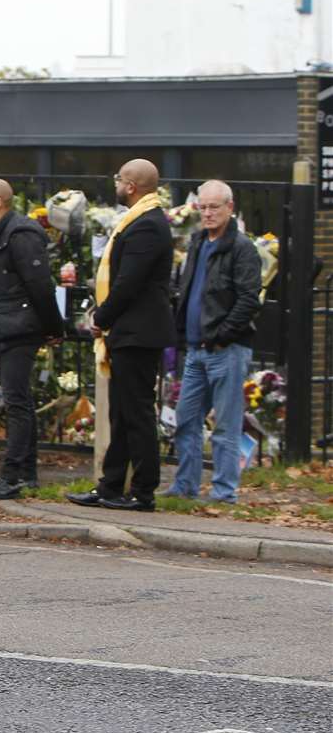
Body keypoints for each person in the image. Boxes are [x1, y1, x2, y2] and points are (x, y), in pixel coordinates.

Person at [69, 159, 176, 513]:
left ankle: (144, 491)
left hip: (138, 332)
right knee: (122, 413)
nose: (115, 184)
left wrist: (102, 315)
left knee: (138, 413)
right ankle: (111, 485)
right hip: (128, 330)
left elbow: (130, 281)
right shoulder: (139, 221)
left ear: (130, 185)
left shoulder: (147, 225)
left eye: (118, 179)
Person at [165, 180, 261, 503]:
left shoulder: (242, 248)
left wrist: (220, 336)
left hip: (226, 350)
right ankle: (185, 487)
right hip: (195, 351)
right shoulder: (196, 242)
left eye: (214, 207)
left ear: (229, 207)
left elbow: (249, 300)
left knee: (225, 425)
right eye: (203, 207)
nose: (207, 213)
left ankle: (224, 492)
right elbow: (188, 289)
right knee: (186, 419)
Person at [0, 178, 64, 500]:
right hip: (7, 325)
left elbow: (40, 285)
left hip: (18, 328)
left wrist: (54, 328)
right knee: (19, 401)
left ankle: (12, 475)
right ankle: (25, 475)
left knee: (16, 403)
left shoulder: (20, 235)